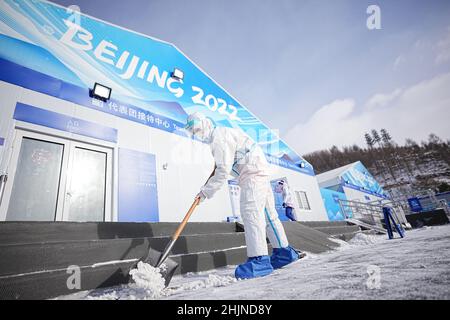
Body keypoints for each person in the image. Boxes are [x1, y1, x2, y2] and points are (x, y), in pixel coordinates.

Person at [184, 112, 300, 279]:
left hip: (252, 175)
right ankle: (284, 252)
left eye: (197, 129)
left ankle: (258, 260)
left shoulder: (218, 137)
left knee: (251, 213)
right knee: (269, 215)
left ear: (205, 123)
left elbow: (223, 171)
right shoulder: (222, 134)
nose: (196, 134)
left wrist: (205, 192)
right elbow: (222, 166)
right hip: (260, 172)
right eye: (192, 131)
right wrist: (208, 185)